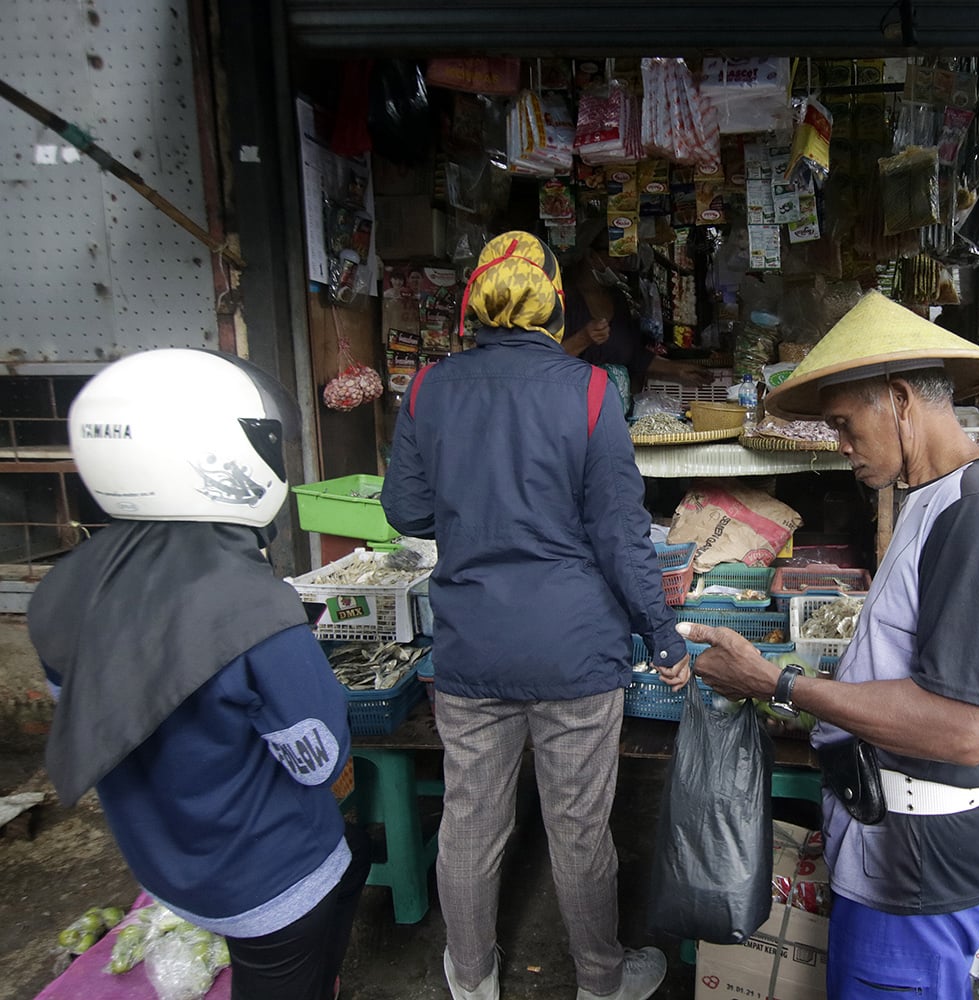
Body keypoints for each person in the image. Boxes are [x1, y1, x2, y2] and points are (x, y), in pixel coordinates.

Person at [679, 290, 979, 998]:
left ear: (902, 399)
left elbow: (965, 729)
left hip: (919, 867)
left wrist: (777, 683)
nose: (841, 446)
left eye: (846, 426)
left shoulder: (978, 520)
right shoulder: (935, 498)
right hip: (892, 843)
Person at [380, 232, 690, 1000]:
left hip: (470, 649)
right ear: (554, 304)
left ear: (476, 303)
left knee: (470, 824)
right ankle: (599, 980)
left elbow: (406, 509)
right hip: (573, 654)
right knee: (580, 830)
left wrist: (476, 507)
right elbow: (621, 533)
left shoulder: (427, 389)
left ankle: (472, 980)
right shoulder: (588, 392)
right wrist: (662, 633)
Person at [27, 348, 369, 1000]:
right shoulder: (253, 607)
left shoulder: (62, 592)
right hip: (272, 884)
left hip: (163, 867)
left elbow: (101, 719)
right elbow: (321, 760)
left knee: (356, 863)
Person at [561, 220, 710, 392]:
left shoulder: (618, 299)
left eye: (625, 253)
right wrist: (583, 338)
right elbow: (542, 360)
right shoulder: (563, 300)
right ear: (589, 254)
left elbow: (634, 355)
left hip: (615, 407)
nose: (622, 261)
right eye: (615, 253)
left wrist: (678, 369)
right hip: (574, 404)